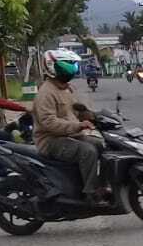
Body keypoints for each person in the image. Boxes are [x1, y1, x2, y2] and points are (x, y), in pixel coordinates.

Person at [33, 49, 108, 201]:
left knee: (100, 144)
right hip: (50, 141)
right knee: (88, 151)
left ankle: (101, 184)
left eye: (73, 66)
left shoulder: (66, 89)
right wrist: (78, 126)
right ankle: (90, 193)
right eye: (67, 66)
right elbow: (49, 123)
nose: (71, 70)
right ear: (52, 67)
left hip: (69, 135)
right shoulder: (46, 93)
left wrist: (94, 116)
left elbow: (77, 110)